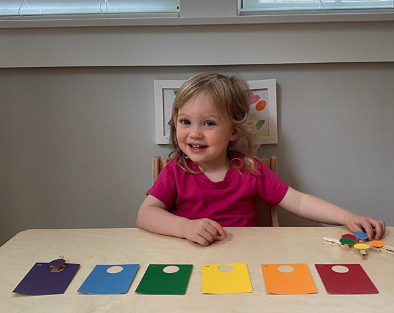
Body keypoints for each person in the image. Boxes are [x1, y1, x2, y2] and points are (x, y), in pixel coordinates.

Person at [137, 72, 386, 246]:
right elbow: (145, 215)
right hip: (189, 256)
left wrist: (347, 218)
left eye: (209, 123)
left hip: (250, 257)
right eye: (185, 122)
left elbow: (298, 201)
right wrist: (185, 228)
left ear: (233, 131)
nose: (195, 133)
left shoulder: (249, 168)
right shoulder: (176, 170)